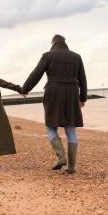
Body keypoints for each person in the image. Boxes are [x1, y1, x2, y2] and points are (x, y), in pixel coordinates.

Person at [21, 34, 87, 174]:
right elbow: (82, 78)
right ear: (65, 42)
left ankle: (61, 156)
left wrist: (25, 89)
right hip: (71, 93)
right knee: (70, 129)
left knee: (51, 126)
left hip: (54, 93)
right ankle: (72, 167)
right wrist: (83, 98)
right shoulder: (76, 57)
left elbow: (36, 73)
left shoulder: (48, 55)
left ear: (52, 43)